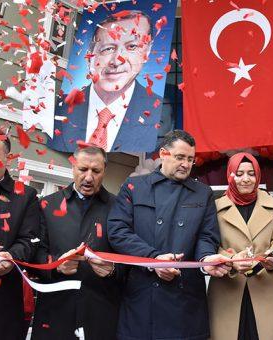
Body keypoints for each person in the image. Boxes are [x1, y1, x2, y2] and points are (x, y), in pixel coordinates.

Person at [107, 129, 231, 340]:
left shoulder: (203, 193)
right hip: (143, 298)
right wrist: (153, 258)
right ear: (163, 154)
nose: (186, 164)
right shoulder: (134, 187)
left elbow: (206, 236)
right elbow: (118, 231)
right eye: (180, 157)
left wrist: (205, 258)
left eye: (190, 159)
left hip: (185, 300)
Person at [31, 146, 121, 340]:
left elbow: (129, 257)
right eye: (83, 169)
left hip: (100, 312)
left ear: (104, 171)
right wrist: (56, 265)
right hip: (55, 311)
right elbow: (35, 253)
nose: (89, 177)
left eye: (96, 171)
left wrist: (113, 270)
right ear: (73, 168)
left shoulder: (119, 207)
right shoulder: (48, 205)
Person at [208, 152, 273, 340]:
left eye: (251, 173)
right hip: (228, 291)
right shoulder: (214, 207)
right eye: (239, 173)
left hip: (268, 288)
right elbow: (208, 245)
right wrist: (231, 260)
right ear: (230, 175)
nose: (246, 179)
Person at [48, 10, 163, 153]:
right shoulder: (60, 108)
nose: (116, 61)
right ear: (90, 53)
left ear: (147, 51)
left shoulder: (159, 111)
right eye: (107, 49)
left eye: (132, 47)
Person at [0, 127, 39, 340]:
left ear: (8, 159)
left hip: (1, 306)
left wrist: (11, 257)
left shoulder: (25, 197)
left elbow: (30, 241)